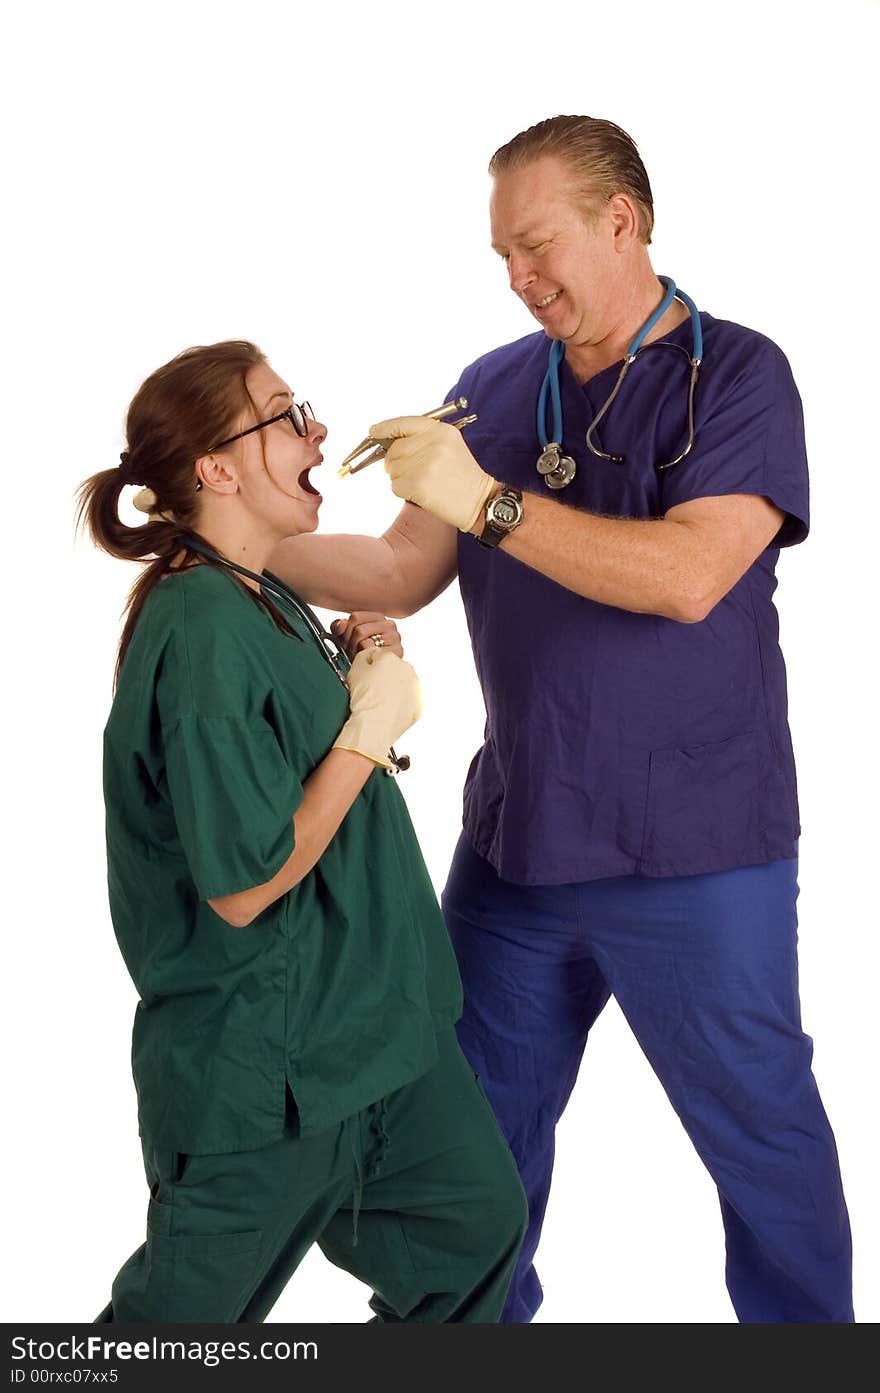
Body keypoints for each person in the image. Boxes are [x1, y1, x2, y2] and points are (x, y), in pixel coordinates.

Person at [269, 117, 854, 1323]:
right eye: (502, 259)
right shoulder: (493, 386)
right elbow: (394, 570)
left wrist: (487, 502)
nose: (520, 279)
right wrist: (233, 540)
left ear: (621, 222)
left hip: (698, 855)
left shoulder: (741, 376)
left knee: (762, 1146)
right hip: (521, 848)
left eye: (537, 247)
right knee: (463, 1146)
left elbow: (691, 576)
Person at [77, 339, 527, 1323]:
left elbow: (287, 745)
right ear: (216, 469)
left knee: (473, 1231)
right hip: (266, 1070)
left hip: (378, 1040)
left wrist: (350, 670)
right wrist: (365, 732)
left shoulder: (262, 590)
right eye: (287, 416)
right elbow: (244, 881)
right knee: (166, 1344)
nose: (318, 430)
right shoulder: (197, 628)